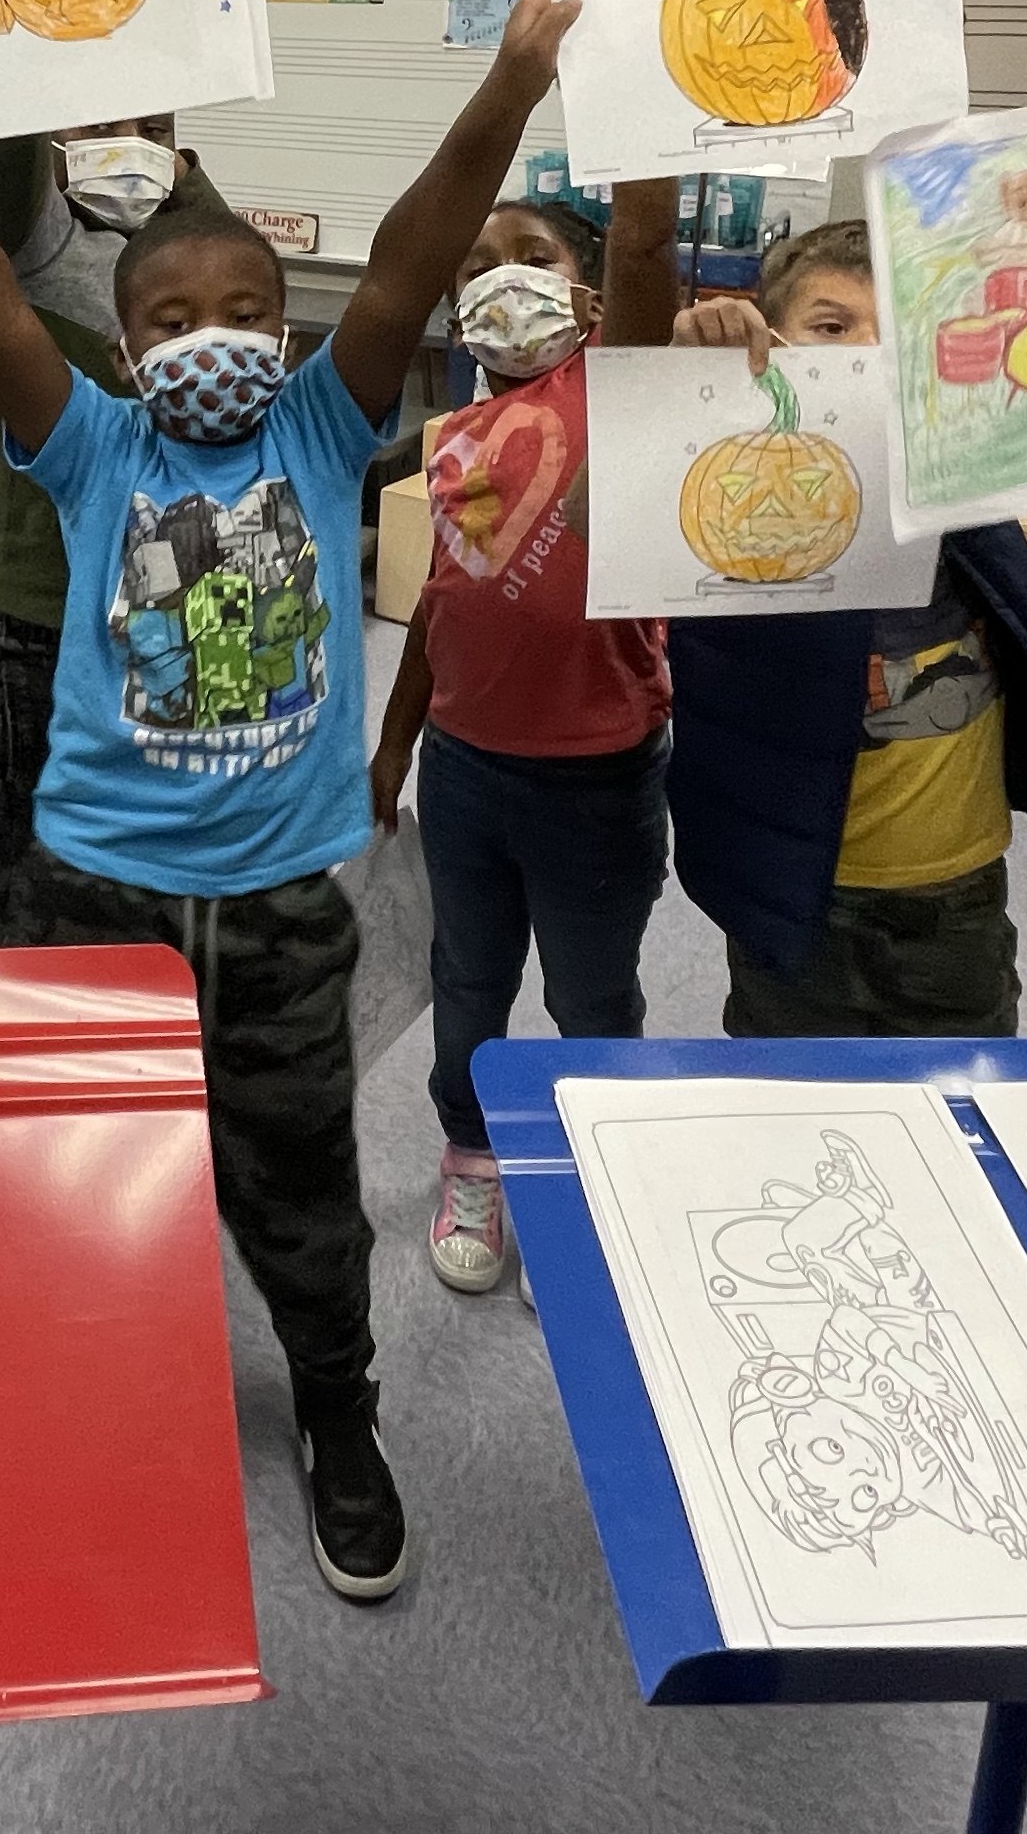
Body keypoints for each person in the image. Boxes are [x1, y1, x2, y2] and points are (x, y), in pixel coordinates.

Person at [0, 0, 586, 1607]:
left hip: (281, 917)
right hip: (92, 896)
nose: (213, 338)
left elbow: (411, 257)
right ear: (123, 339)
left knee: (302, 1192)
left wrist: (514, 84)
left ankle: (337, 1408)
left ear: (288, 328)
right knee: (73, 1164)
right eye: (172, 318)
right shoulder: (88, 438)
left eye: (246, 312)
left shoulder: (323, 425)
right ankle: (80, 1384)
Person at [666, 220, 1027, 1049]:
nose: (867, 352)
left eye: (897, 331)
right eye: (832, 326)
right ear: (773, 342)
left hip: (955, 888)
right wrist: (679, 391)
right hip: (796, 889)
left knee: (960, 1084)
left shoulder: (965, 482)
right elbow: (595, 524)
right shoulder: (737, 494)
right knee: (784, 1088)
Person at [370, 177, 677, 1297]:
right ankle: (474, 1155)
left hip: (598, 778)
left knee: (592, 997)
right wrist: (396, 741)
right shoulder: (456, 437)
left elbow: (645, 243)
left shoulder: (621, 394)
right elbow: (444, 601)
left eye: (534, 255)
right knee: (469, 981)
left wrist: (644, 135)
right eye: (478, 262)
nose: (501, 275)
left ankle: (587, 1172)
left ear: (589, 298)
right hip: (464, 771)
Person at [0, 0, 224, 941]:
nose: (124, 132)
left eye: (145, 114)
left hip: (173, 595)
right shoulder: (26, 223)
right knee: (39, 864)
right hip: (36, 605)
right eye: (94, 111)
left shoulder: (199, 230)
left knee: (158, 852)